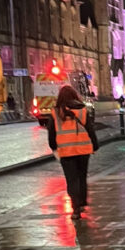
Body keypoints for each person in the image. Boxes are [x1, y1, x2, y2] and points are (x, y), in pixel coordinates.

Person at [46, 84, 99, 221]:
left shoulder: (56, 112)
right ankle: (82, 203)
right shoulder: (82, 110)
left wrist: (54, 147)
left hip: (66, 151)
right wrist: (95, 145)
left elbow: (52, 133)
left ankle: (75, 210)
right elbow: (90, 129)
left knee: (72, 180)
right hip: (83, 149)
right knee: (82, 177)